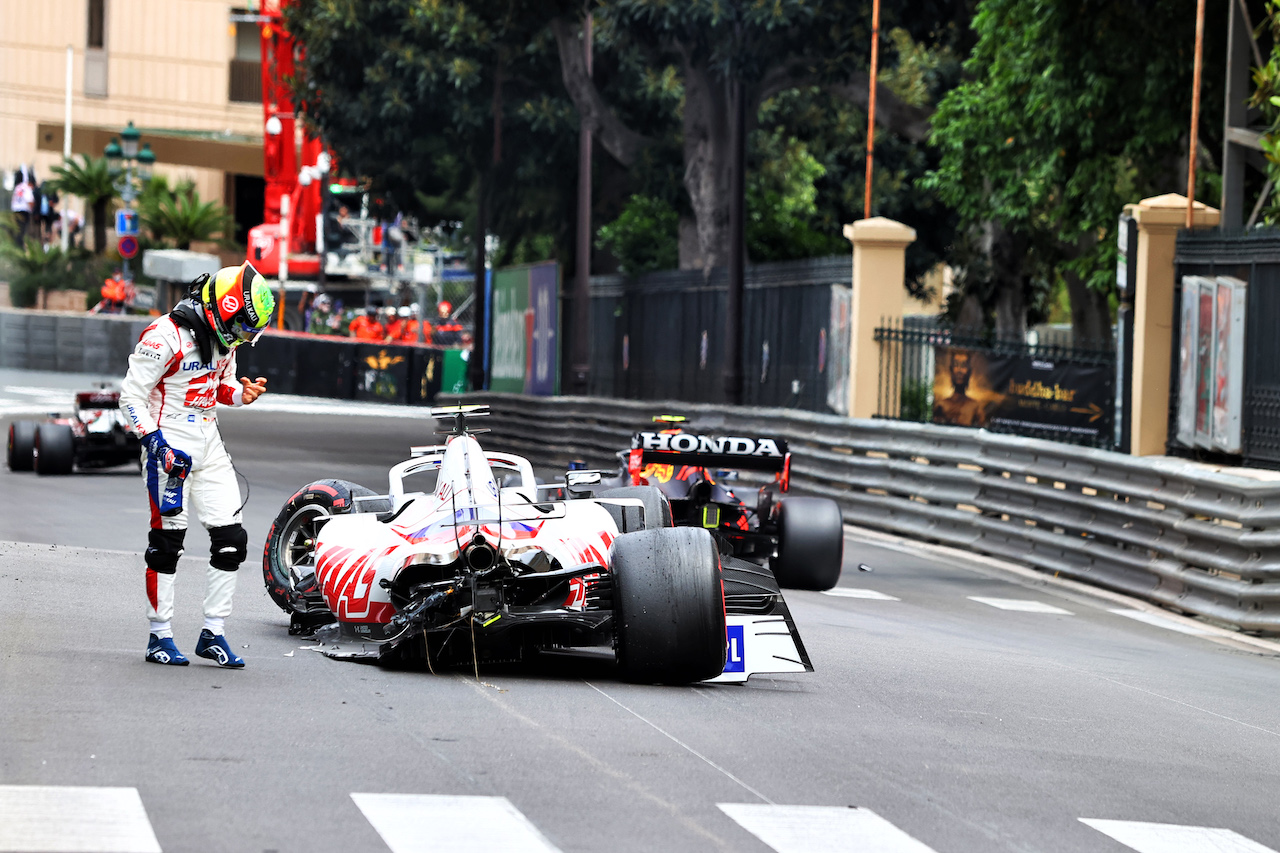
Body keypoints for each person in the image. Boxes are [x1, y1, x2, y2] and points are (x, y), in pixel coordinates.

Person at [119, 261, 275, 668]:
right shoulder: (163, 336)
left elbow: (218, 387)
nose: (245, 335)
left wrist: (242, 394)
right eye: (242, 325)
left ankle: (213, 633)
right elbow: (131, 397)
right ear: (222, 309)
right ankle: (159, 637)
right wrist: (155, 444)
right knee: (167, 542)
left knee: (232, 540)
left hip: (209, 441)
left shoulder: (226, 340)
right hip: (168, 443)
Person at [932, 349, 987, 427]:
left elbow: (982, 428)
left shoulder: (975, 406)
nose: (959, 370)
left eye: (964, 366)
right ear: (951, 370)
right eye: (956, 365)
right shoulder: (941, 405)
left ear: (969, 372)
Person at [9, 173, 33, 248]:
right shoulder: (26, 188)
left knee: (17, 231)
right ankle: (20, 248)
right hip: (24, 212)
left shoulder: (17, 188)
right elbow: (30, 201)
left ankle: (16, 247)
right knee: (23, 232)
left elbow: (13, 201)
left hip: (15, 211)